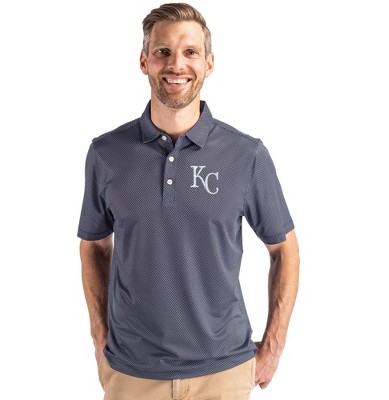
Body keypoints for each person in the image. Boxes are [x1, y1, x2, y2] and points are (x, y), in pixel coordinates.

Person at [78, 3, 300, 399]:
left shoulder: (246, 155)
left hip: (223, 372)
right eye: (163, 51)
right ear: (144, 61)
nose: (176, 64)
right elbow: (93, 246)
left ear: (209, 63)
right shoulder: (106, 153)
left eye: (190, 52)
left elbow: (285, 250)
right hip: (132, 373)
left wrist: (273, 345)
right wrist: (99, 334)